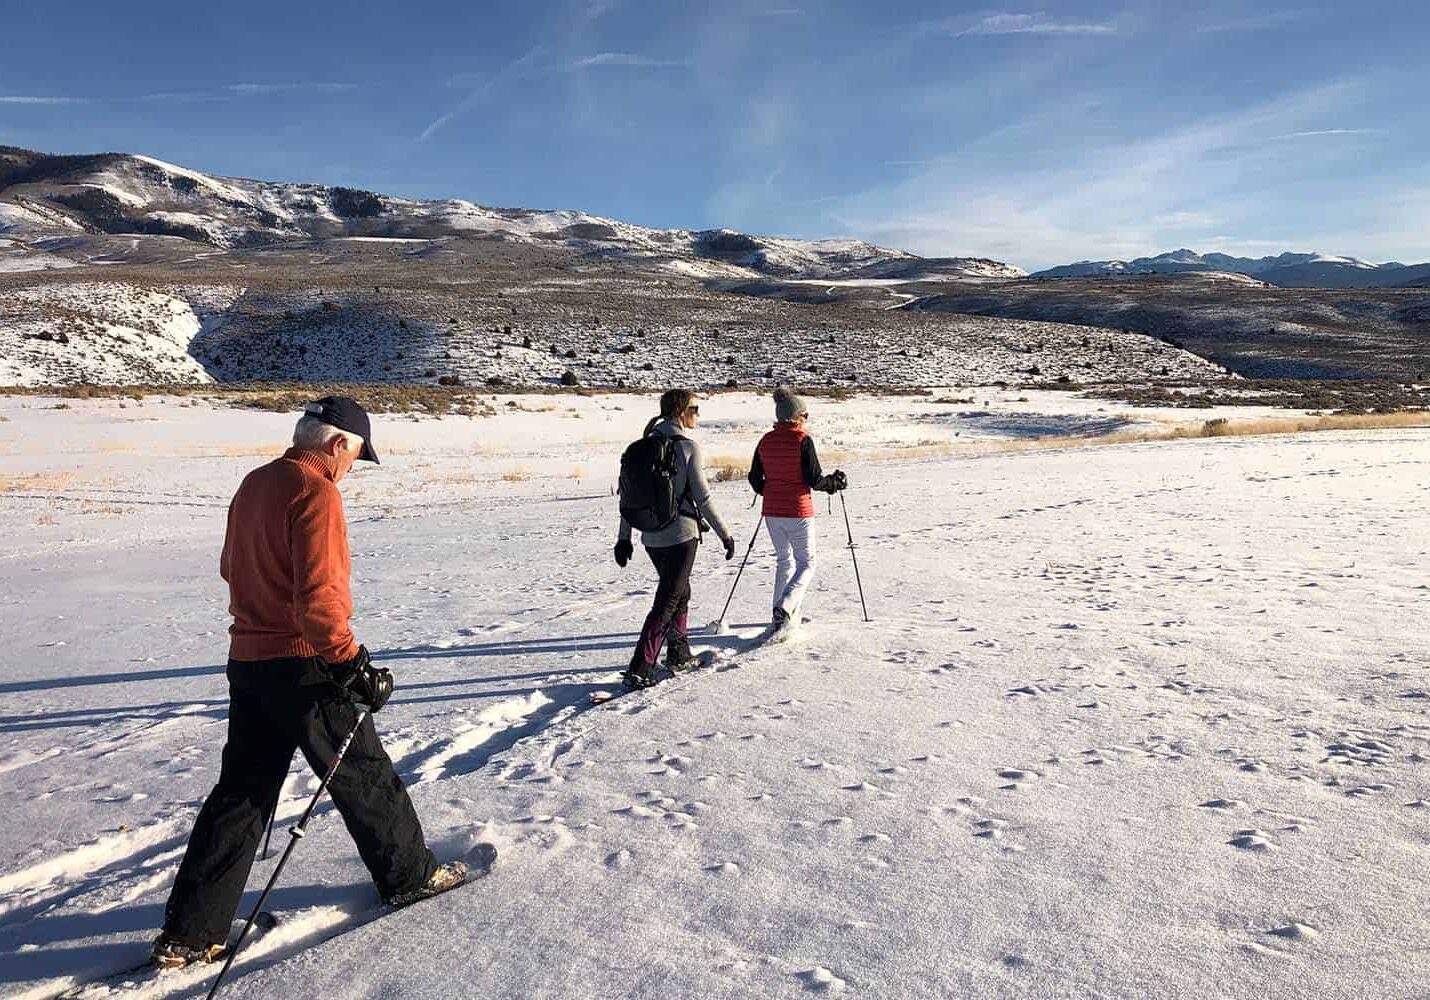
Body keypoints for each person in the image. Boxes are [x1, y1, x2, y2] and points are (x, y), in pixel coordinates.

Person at [151, 397, 467, 969]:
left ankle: (190, 933)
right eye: (355, 455)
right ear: (336, 443)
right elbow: (320, 600)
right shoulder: (316, 492)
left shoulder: (255, 482)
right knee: (363, 774)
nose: (353, 468)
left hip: (248, 660)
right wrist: (351, 665)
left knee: (242, 795)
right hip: (305, 663)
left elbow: (231, 565)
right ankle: (411, 876)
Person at [614, 389, 736, 688]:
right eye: (695, 409)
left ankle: (679, 652)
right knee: (668, 599)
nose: (697, 415)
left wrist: (624, 538)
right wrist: (725, 534)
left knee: (679, 592)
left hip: (651, 537)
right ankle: (640, 668)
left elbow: (628, 500)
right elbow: (703, 498)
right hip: (682, 535)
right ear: (681, 411)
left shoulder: (641, 446)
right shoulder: (688, 448)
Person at [747, 386, 847, 637]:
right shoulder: (802, 440)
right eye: (806, 415)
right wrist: (834, 483)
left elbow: (754, 477)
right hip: (798, 510)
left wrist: (769, 491)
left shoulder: (765, 440)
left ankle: (782, 612)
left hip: (771, 512)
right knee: (807, 563)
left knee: (784, 560)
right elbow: (813, 479)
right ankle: (786, 605)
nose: (807, 420)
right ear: (797, 416)